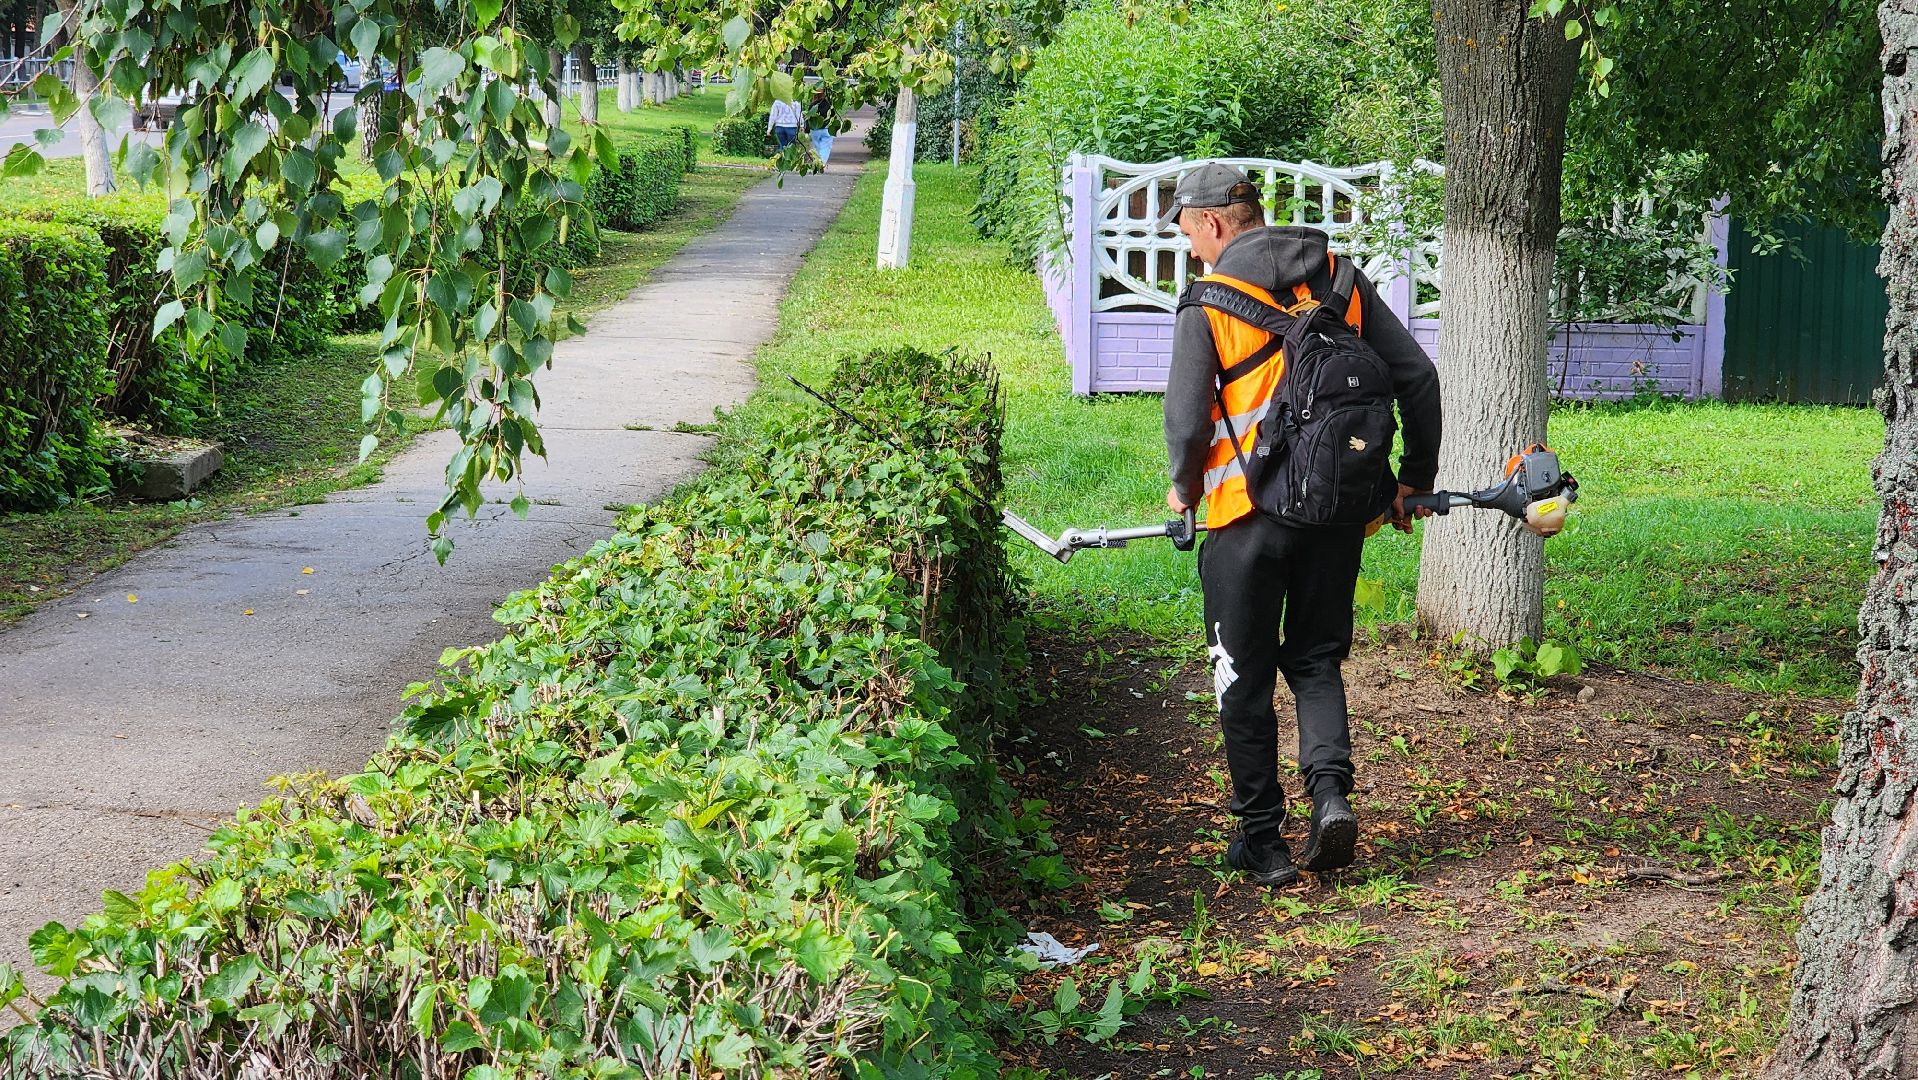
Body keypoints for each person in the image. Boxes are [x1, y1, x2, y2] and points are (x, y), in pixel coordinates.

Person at [1160, 162, 1442, 887]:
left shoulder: (1209, 299)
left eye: (1190, 233)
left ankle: (1264, 843)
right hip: (1336, 511)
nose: (1192, 249)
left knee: (1242, 678)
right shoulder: (1341, 280)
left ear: (1215, 223)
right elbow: (1417, 377)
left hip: (1245, 520)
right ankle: (1330, 796)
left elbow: (1188, 421)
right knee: (1315, 659)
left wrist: (1183, 490)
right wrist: (1414, 479)